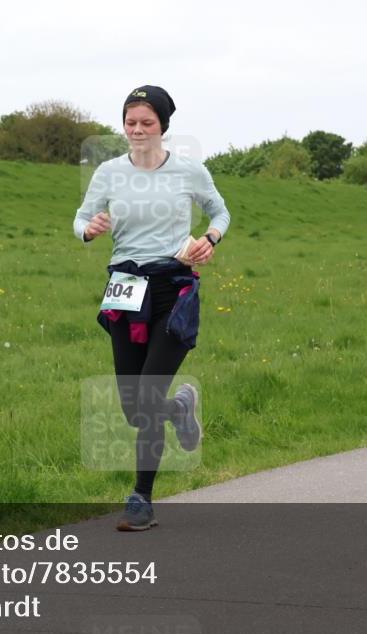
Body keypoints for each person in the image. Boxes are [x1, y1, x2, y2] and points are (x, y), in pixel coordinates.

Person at [72, 85, 231, 531]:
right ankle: (179, 409)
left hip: (171, 288)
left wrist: (209, 240)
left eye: (147, 123)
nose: (138, 130)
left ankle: (141, 498)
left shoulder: (188, 171)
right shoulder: (108, 173)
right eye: (130, 122)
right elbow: (80, 219)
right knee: (133, 407)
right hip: (124, 289)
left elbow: (220, 213)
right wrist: (90, 229)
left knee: (147, 394)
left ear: (163, 126)